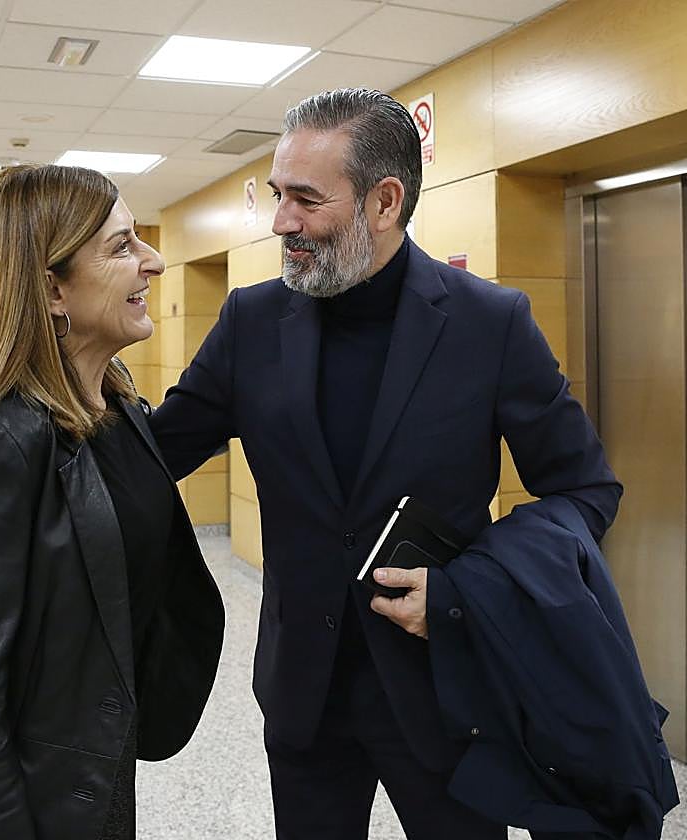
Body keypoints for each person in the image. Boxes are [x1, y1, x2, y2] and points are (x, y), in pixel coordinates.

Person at [149, 88, 624, 839]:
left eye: (305, 199)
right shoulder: (251, 322)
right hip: (304, 694)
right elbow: (154, 454)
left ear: (384, 201)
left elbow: (584, 489)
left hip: (449, 696)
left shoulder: (490, 324)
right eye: (278, 196)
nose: (281, 223)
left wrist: (471, 589)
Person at [0, 164, 225, 840]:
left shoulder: (118, 409)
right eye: (121, 247)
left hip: (86, 777)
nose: (154, 260)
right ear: (53, 289)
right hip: (11, 803)